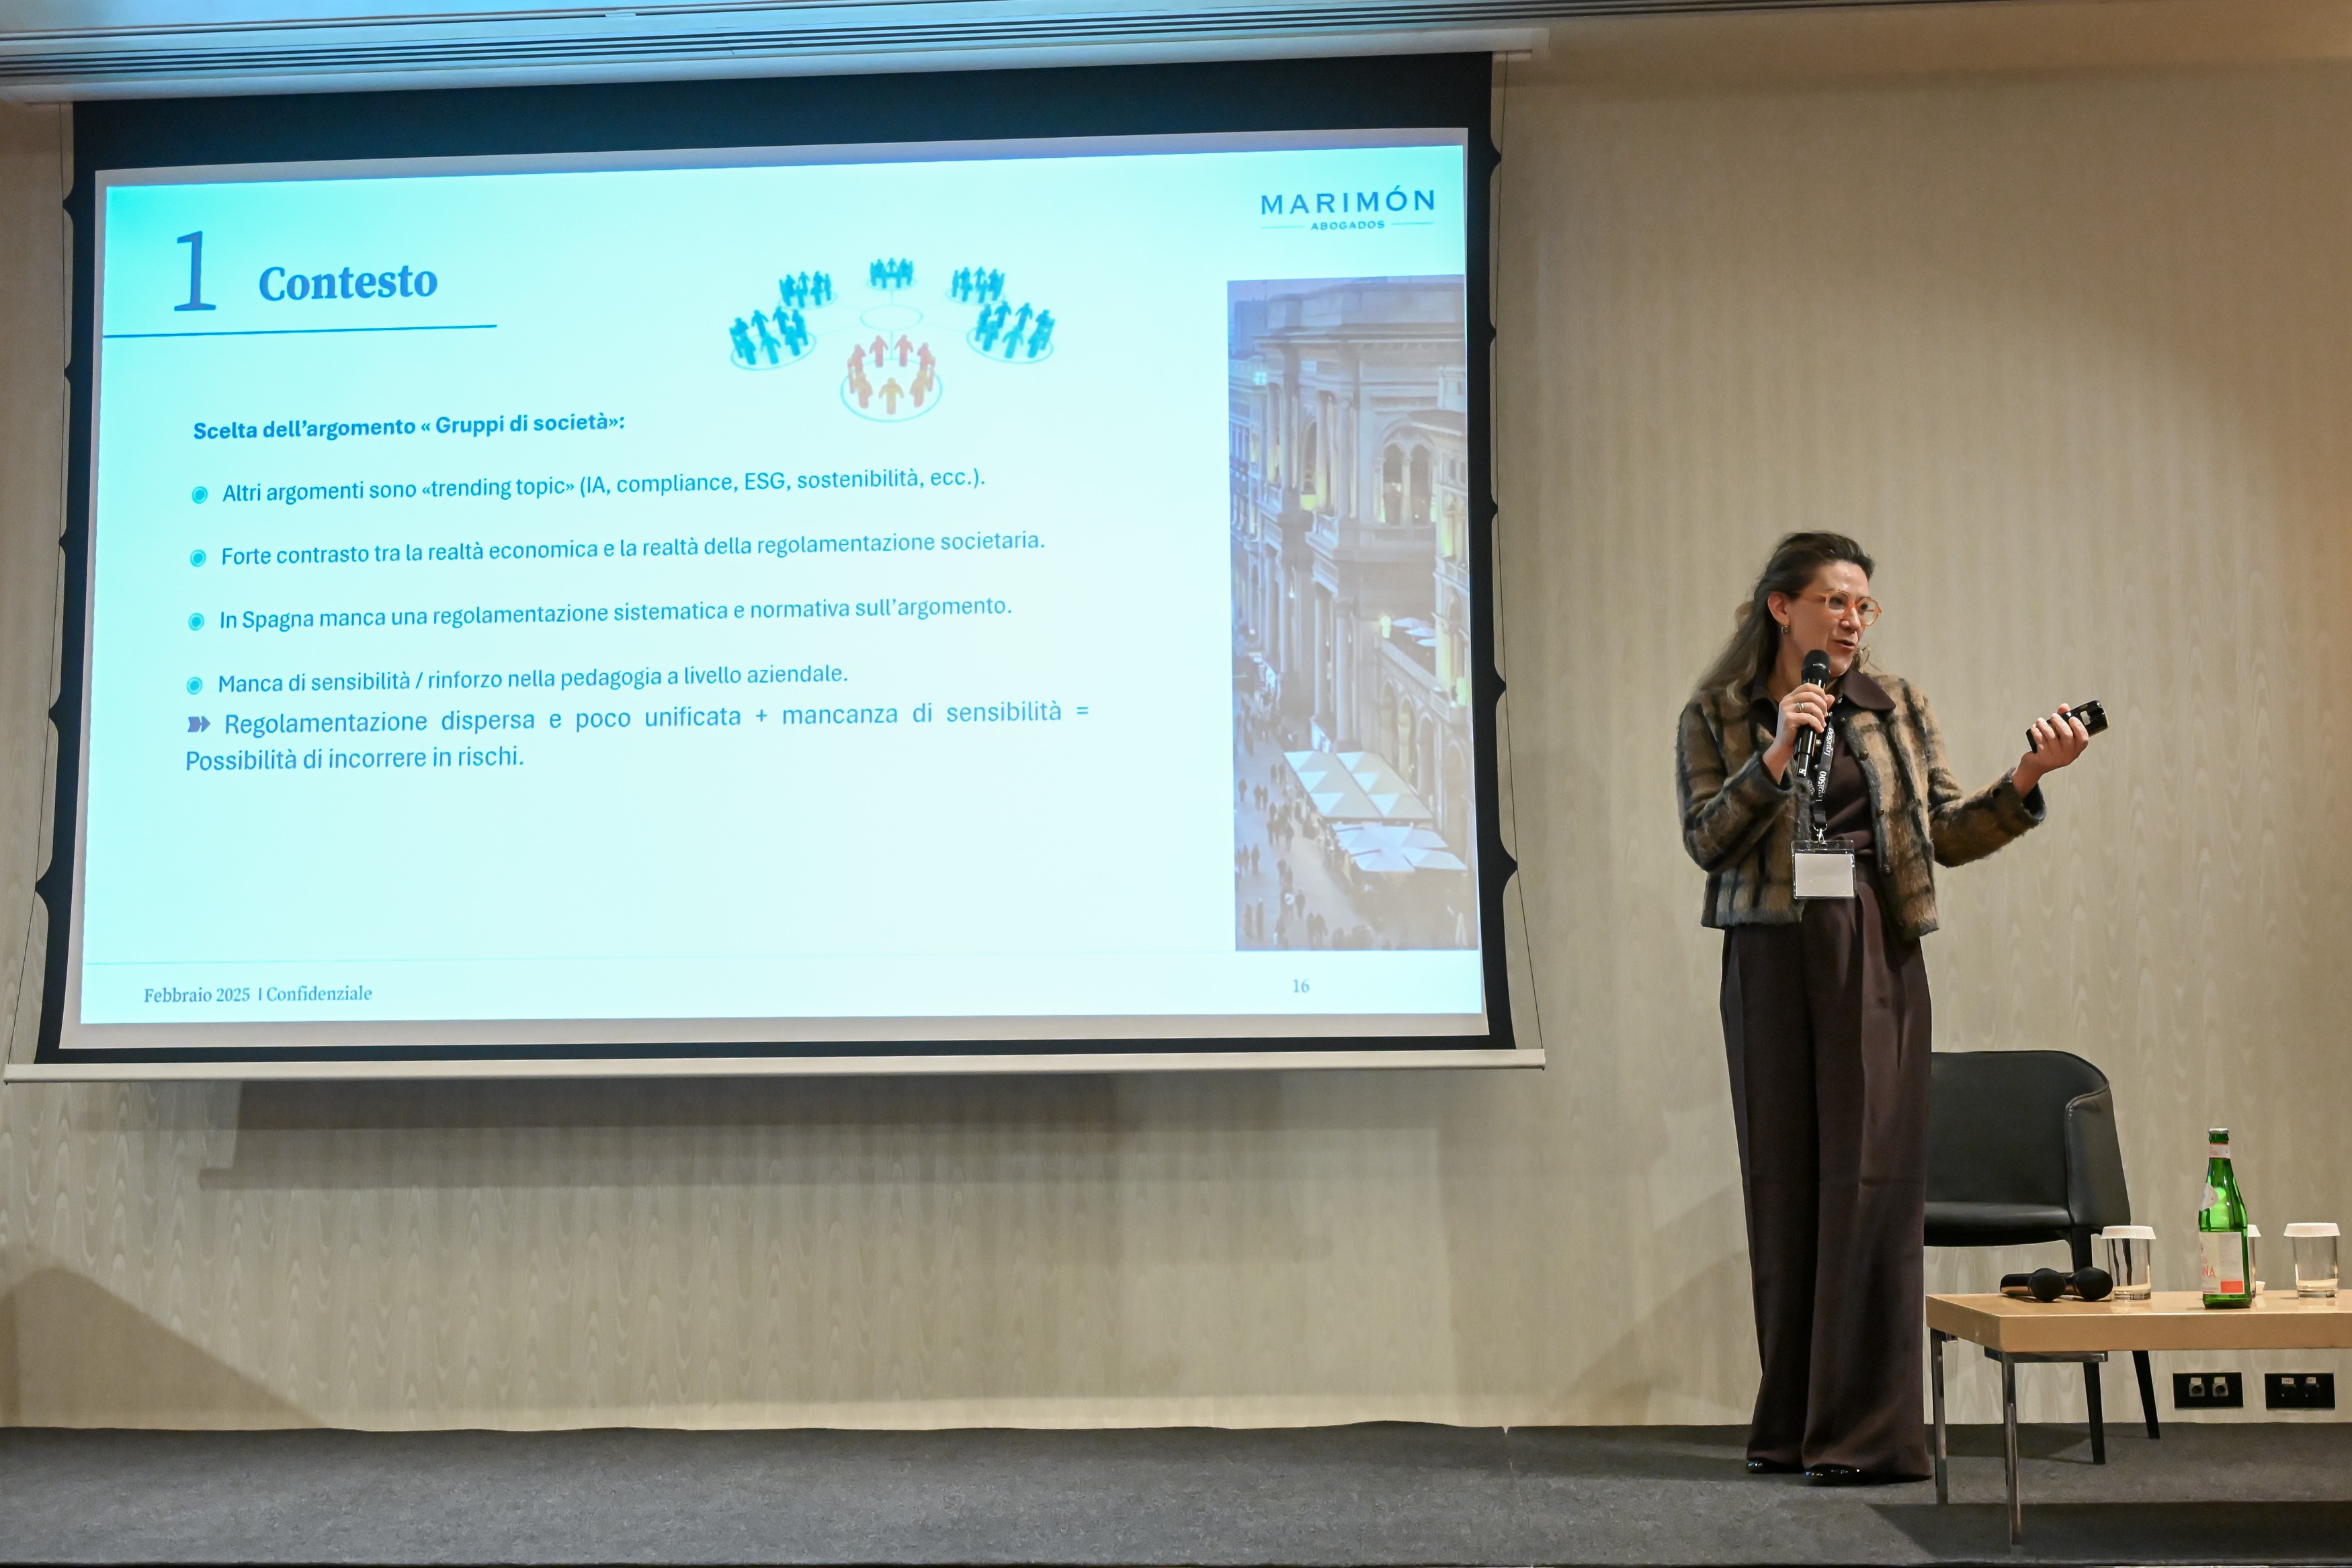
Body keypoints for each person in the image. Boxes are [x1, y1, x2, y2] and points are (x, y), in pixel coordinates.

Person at [1674, 532, 2092, 1485]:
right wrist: (1776, 755)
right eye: (1835, 601)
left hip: (1873, 942)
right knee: (1783, 1182)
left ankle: (1863, 1433)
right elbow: (1706, 839)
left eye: (1864, 604)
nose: (1853, 619)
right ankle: (1792, 1424)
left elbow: (1946, 831)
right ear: (1783, 607)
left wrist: (2027, 779)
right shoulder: (1719, 711)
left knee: (1871, 1181)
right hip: (1770, 950)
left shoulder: (1895, 705)